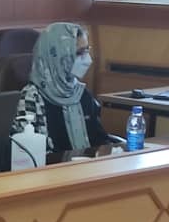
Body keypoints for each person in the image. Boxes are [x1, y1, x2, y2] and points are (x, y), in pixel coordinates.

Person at [11, 22, 109, 152]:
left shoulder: (80, 93)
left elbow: (100, 140)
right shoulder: (31, 98)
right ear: (59, 56)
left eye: (87, 50)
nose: (87, 59)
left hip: (88, 163)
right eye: (79, 53)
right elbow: (29, 152)